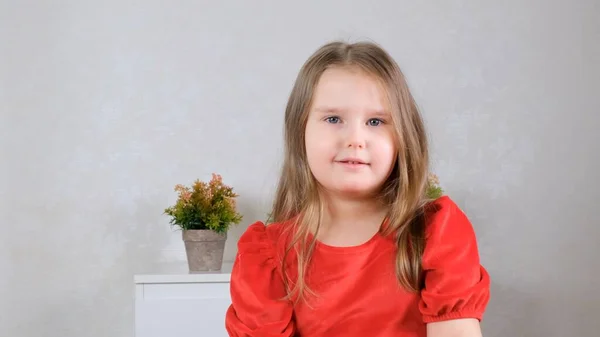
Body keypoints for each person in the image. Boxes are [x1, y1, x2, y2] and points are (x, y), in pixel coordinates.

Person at [224, 40, 491, 337]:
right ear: (300, 131)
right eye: (333, 119)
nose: (355, 138)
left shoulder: (435, 232)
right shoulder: (266, 256)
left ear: (403, 135)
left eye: (375, 121)